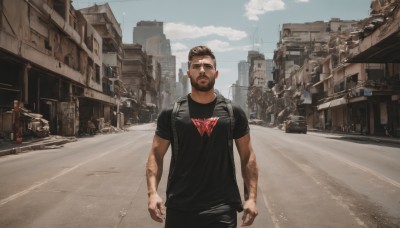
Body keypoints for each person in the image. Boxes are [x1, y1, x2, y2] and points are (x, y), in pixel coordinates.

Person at [146, 45, 259, 227]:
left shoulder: (233, 112)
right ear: (189, 74)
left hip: (222, 209)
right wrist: (152, 193)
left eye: (207, 66)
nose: (202, 70)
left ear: (216, 73)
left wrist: (251, 198)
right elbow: (156, 155)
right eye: (196, 66)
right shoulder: (171, 113)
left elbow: (248, 157)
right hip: (179, 209)